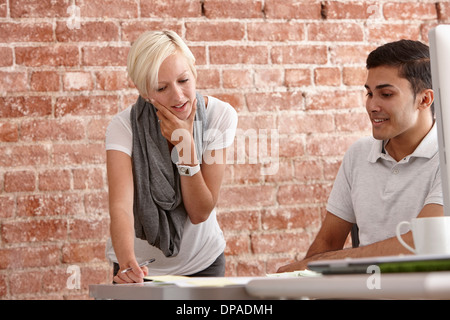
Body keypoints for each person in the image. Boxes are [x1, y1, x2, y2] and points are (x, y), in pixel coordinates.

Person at [278, 39, 443, 273]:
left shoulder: (444, 158)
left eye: (386, 94)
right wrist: (297, 278)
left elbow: (423, 244)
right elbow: (326, 243)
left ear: (424, 99)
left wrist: (325, 263)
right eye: (369, 93)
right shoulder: (359, 154)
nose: (372, 106)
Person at [105, 30, 238, 283]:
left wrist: (185, 146)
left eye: (184, 80)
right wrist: (125, 262)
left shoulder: (220, 116)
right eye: (162, 88)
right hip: (138, 269)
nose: (178, 96)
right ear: (144, 91)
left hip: (203, 265)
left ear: (194, 73)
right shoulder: (123, 127)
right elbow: (120, 207)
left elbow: (200, 212)